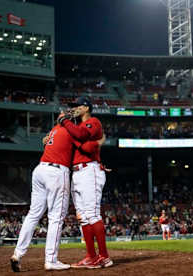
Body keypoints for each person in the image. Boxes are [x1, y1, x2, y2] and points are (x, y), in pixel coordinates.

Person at [10, 116, 101, 272]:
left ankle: (17, 254)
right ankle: (51, 260)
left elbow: (53, 141)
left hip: (40, 169)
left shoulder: (55, 130)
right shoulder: (71, 131)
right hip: (57, 172)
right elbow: (87, 147)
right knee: (56, 217)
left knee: (33, 214)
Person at [59, 96, 113, 269]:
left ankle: (104, 256)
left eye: (76, 106)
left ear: (86, 108)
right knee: (83, 217)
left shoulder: (93, 121)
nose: (73, 108)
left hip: (90, 170)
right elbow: (81, 143)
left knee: (92, 214)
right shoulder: (75, 126)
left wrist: (65, 122)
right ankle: (91, 256)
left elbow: (82, 136)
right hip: (77, 173)